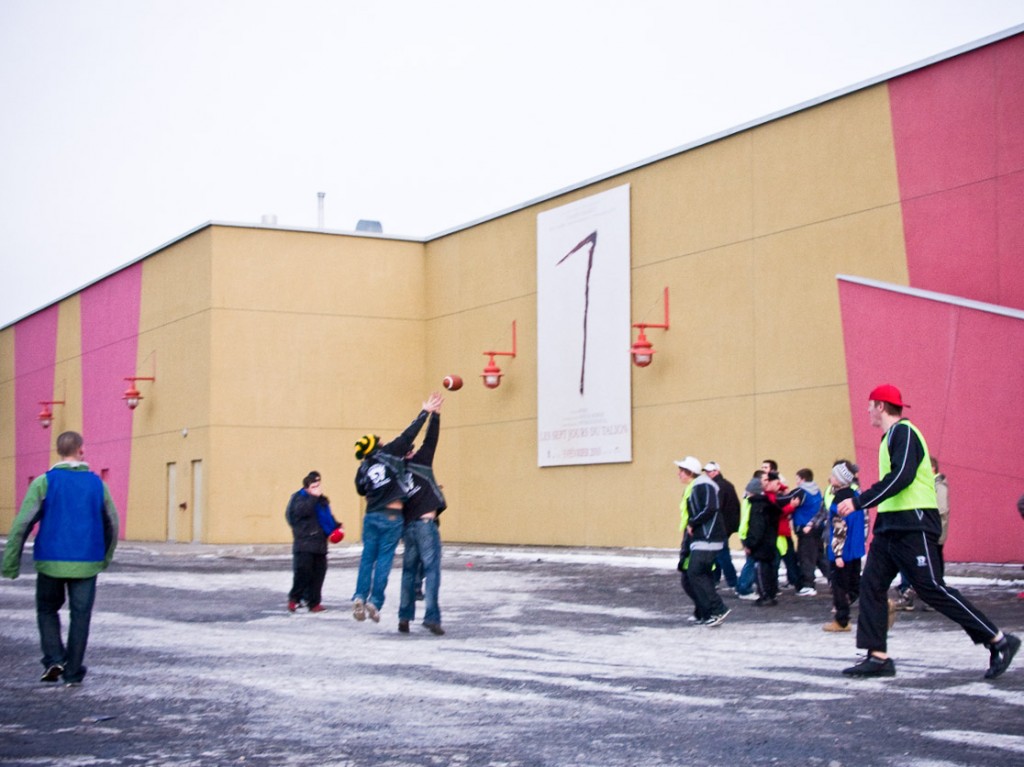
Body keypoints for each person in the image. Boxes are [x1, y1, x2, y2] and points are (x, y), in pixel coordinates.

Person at [837, 384, 1019, 679]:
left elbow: (902, 476)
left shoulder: (905, 433)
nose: (867, 411)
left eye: (870, 405)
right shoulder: (889, 438)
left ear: (880, 406)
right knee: (870, 585)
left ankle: (998, 640)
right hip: (890, 526)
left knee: (931, 588)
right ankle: (878, 657)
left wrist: (858, 501)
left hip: (914, 524)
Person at [2, 431, 119, 686]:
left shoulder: (44, 482)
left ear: (59, 451)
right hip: (87, 562)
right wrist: (105, 556)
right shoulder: (98, 484)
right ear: (81, 450)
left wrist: (11, 562)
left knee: (47, 609)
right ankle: (73, 672)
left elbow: (23, 523)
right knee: (81, 616)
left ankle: (54, 658)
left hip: (50, 560)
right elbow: (112, 522)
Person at [352, 393, 443, 623]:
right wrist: (427, 413)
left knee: (368, 558)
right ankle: (375, 602)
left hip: (371, 516)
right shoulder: (391, 455)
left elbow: (361, 490)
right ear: (377, 447)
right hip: (394, 518)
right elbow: (411, 435)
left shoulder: (365, 467)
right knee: (385, 560)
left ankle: (360, 595)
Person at [398, 396, 447, 636]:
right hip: (426, 524)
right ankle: (432, 616)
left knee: (408, 573)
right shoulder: (422, 461)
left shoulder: (396, 472)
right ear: (412, 452)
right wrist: (434, 415)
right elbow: (431, 440)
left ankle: (404, 617)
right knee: (432, 570)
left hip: (407, 528)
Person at [675, 455, 730, 626]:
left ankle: (717, 609)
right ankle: (706, 613)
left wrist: (693, 522)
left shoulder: (703, 484)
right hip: (699, 538)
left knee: (696, 573)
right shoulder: (695, 486)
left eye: (681, 471)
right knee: (692, 576)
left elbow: (710, 507)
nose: (678, 474)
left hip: (707, 538)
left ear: (689, 472)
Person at [285, 471, 341, 613]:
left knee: (319, 574)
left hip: (320, 543)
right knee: (303, 572)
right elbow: (298, 513)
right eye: (314, 485)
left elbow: (327, 516)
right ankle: (294, 598)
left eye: (318, 485)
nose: (317, 488)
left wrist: (336, 526)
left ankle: (314, 602)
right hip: (304, 543)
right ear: (306, 487)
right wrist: (312, 498)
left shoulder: (321, 500)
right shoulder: (299, 498)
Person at [822, 460, 863, 632]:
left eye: (833, 476)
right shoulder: (856, 497)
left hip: (842, 552)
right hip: (855, 550)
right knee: (854, 585)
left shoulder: (839, 501)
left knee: (839, 587)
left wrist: (837, 554)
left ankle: (841, 620)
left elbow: (839, 529)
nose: (830, 478)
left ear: (839, 479)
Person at [781, 468, 826, 596]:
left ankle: (808, 584)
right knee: (818, 556)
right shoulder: (817, 490)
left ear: (802, 479)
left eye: (797, 479)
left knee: (806, 557)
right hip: (818, 527)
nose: (796, 482)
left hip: (805, 528)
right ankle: (834, 579)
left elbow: (786, 500)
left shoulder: (801, 491)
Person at [742, 472, 783, 606]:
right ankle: (770, 594)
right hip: (769, 543)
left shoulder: (757, 506)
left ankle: (765, 596)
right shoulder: (768, 505)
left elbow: (756, 528)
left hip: (761, 545)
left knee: (760, 570)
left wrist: (749, 543)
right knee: (769, 570)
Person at [762, 459, 801, 590]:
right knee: (777, 560)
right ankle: (773, 586)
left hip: (781, 531)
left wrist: (781, 486)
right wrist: (791, 506)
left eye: (765, 467)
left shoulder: (773, 494)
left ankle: (792, 582)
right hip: (778, 531)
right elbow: (777, 513)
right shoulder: (769, 497)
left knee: (787, 558)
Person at [705, 462, 740, 590]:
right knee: (717, 554)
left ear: (716, 471)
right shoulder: (727, 485)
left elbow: (715, 508)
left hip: (720, 526)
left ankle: (732, 581)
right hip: (726, 526)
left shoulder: (717, 487)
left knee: (722, 555)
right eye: (707, 472)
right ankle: (716, 579)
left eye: (709, 471)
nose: (707, 474)